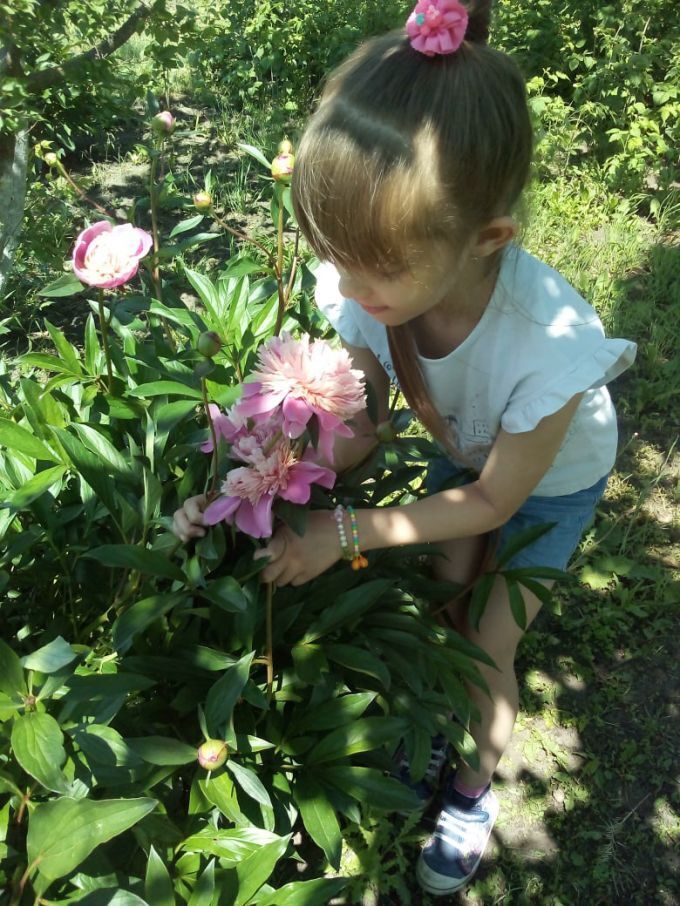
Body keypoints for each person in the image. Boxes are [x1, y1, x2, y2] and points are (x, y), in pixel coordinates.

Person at [173, 0, 636, 895]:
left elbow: (497, 501)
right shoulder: (374, 283)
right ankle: (435, 717)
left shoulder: (548, 344)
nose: (347, 288)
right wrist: (254, 470)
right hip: (465, 451)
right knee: (443, 600)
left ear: (488, 239)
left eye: (370, 270)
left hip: (544, 484)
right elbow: (358, 428)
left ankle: (469, 792)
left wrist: (342, 536)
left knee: (486, 645)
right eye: (335, 260)